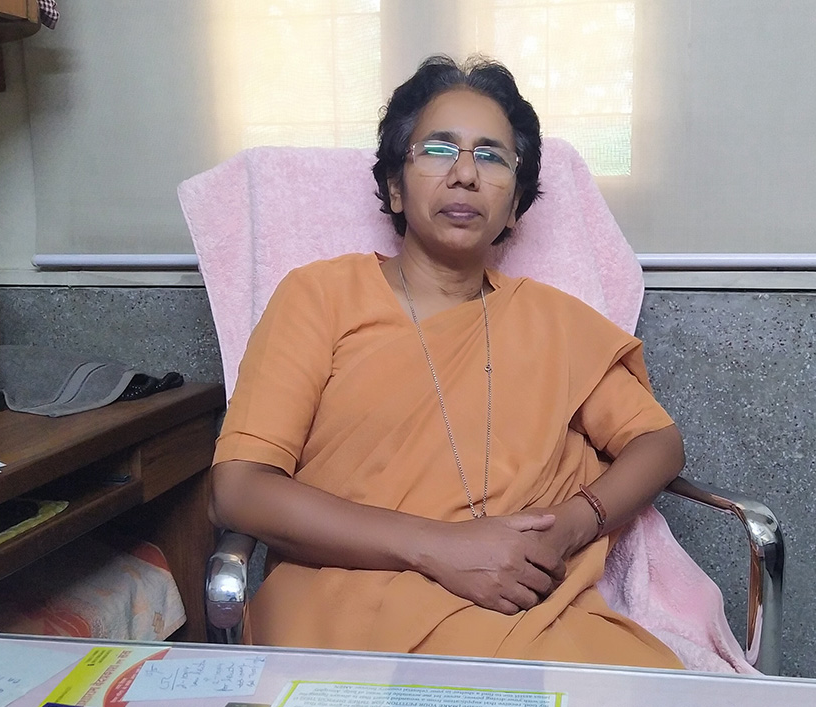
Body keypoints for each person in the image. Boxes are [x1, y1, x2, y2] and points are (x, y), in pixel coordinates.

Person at [208, 55, 686, 669]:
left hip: (526, 615)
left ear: (514, 206)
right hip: (343, 610)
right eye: (438, 149)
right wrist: (438, 548)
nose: (465, 174)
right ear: (396, 188)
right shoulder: (319, 297)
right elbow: (239, 491)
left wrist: (572, 525)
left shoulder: (554, 322)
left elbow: (659, 442)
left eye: (492, 156)